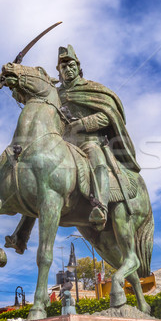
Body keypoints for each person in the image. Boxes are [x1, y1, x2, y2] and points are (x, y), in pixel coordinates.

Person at [56, 45, 140, 230]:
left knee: (97, 161)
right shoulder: (55, 94)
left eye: (71, 65)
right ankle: (23, 230)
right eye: (63, 67)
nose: (68, 69)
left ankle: (100, 208)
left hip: (89, 142)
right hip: (63, 145)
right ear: (59, 72)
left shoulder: (92, 89)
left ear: (78, 67)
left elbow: (109, 114)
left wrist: (81, 125)